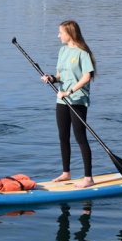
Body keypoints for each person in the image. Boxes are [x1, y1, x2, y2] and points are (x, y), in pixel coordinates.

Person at [42, 20, 96, 188]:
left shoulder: (82, 53)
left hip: (77, 99)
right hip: (61, 99)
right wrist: (51, 78)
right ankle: (66, 173)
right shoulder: (63, 51)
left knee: (80, 138)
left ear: (70, 34)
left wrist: (69, 92)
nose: (58, 35)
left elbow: (87, 77)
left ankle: (88, 178)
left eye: (61, 32)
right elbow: (60, 76)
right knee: (63, 136)